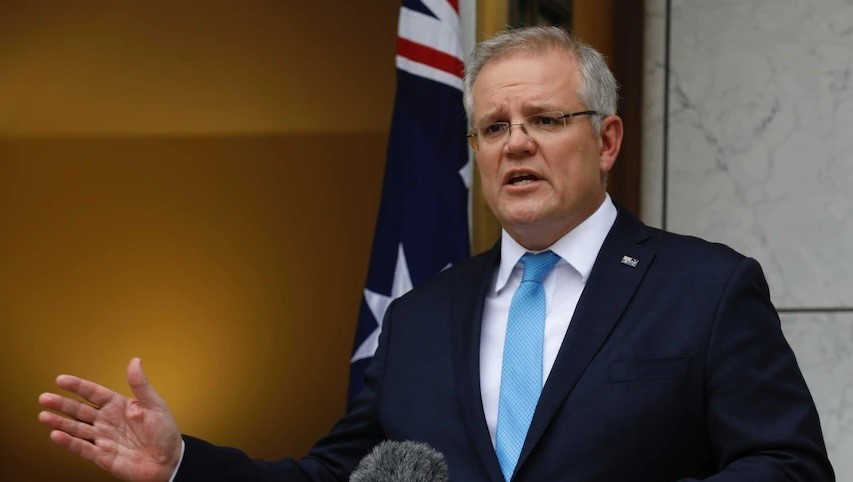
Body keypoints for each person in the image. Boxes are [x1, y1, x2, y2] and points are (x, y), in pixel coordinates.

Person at [38, 26, 834, 481]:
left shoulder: (705, 287)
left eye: (545, 121)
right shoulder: (421, 317)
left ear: (606, 140)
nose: (514, 143)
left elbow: (787, 469)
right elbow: (335, 479)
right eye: (493, 128)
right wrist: (183, 464)